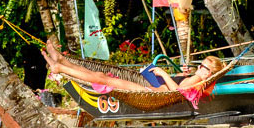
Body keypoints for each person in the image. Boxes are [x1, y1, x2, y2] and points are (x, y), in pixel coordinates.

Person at [42, 38, 224, 107]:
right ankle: (63, 62)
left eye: (203, 67)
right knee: (103, 76)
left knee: (103, 78)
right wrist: (189, 73)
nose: (200, 67)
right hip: (151, 92)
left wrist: (163, 73)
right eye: (201, 64)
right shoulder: (197, 78)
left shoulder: (197, 81)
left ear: (209, 73)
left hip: (149, 94)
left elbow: (176, 92)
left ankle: (62, 66)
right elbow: (184, 86)